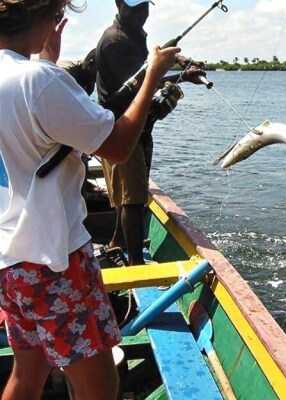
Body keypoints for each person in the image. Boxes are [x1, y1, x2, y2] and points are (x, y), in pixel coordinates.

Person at [0, 1, 181, 399]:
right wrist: (152, 75)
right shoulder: (40, 81)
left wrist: (47, 59)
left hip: (11, 266)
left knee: (26, 375)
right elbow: (116, 146)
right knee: (100, 387)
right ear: (44, 20)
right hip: (55, 264)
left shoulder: (22, 77)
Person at [96, 0, 206, 266]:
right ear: (118, 4)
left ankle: (118, 242)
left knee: (132, 193)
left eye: (144, 6)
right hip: (121, 127)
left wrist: (181, 62)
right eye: (134, 7)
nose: (140, 13)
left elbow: (147, 67)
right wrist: (182, 77)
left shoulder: (134, 34)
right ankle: (135, 264)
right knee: (132, 200)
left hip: (139, 125)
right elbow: (141, 84)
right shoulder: (116, 41)